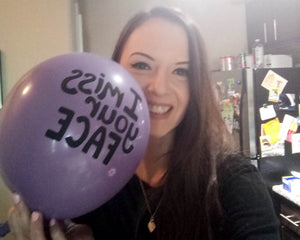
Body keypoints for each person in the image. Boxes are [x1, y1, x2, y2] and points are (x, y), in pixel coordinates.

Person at [7, 7, 280, 240]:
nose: (159, 87)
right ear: (112, 72)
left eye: (181, 71)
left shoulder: (235, 187)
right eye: (142, 65)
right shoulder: (86, 176)